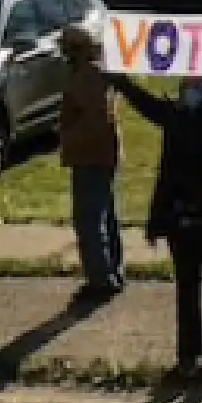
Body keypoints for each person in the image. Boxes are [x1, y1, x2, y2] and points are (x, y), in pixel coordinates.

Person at [109, 36, 202, 377]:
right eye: (189, 82)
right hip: (184, 217)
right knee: (190, 288)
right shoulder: (185, 116)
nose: (194, 88)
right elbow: (142, 101)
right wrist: (118, 77)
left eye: (199, 82)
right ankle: (193, 355)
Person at [58, 23, 124, 298]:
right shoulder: (97, 73)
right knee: (105, 214)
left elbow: (94, 121)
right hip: (101, 153)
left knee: (89, 219)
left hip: (90, 155)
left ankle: (101, 279)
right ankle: (112, 271)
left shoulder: (87, 77)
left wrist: (69, 137)